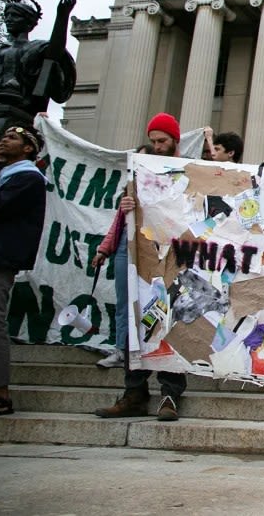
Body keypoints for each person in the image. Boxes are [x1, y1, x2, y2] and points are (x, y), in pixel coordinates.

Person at [95, 113, 188, 422]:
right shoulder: (138, 173)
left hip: (168, 255)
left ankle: (170, 393)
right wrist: (108, 243)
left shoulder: (186, 172)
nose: (157, 146)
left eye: (162, 141)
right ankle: (134, 392)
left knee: (166, 321)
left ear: (175, 141)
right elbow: (122, 219)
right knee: (134, 319)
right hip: (134, 252)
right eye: (153, 141)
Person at [0, 125, 48, 417]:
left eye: (12, 138)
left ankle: (0, 392)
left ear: (28, 148)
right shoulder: (3, 176)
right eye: (2, 136)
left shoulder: (28, 178)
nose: (3, 140)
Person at [0, 0, 76, 181]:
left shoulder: (35, 48)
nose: (9, 20)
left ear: (30, 23)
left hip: (10, 107)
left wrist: (62, 17)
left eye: (16, 16)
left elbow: (54, 52)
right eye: (8, 16)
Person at [93, 144, 153, 369]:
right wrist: (103, 249)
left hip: (149, 249)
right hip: (123, 248)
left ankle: (147, 348)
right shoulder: (128, 189)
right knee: (123, 301)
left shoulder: (164, 186)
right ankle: (121, 349)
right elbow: (117, 224)